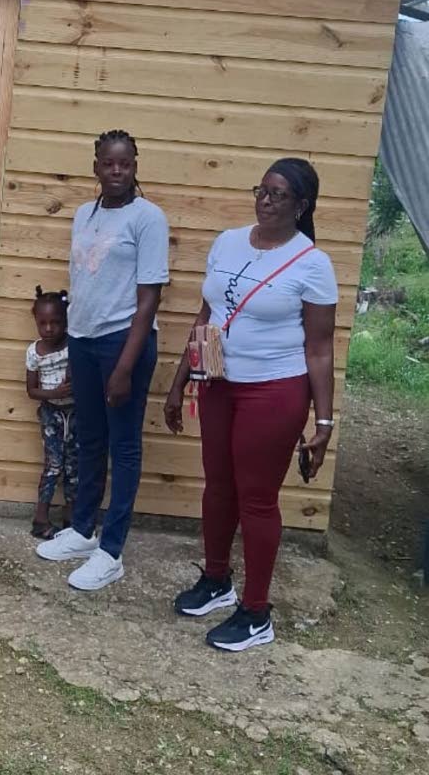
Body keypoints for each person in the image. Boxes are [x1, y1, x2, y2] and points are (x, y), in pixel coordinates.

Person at [164, 157, 338, 652]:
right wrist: (181, 382)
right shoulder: (228, 241)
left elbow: (321, 348)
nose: (264, 200)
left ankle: (257, 613)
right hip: (218, 383)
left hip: (274, 390)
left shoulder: (312, 264)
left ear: (301, 206)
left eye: (277, 194)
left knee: (256, 499)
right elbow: (208, 313)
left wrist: (323, 420)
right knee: (217, 487)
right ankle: (217, 580)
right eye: (260, 190)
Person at [36, 130, 169, 590]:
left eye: (125, 164)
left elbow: (149, 297)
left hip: (124, 342)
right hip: (85, 340)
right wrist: (74, 347)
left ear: (135, 166)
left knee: (123, 445)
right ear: (95, 166)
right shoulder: (83, 215)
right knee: (89, 438)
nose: (116, 172)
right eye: (108, 164)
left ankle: (111, 550)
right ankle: (82, 529)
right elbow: (83, 285)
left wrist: (126, 367)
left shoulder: (148, 218)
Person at [26, 286, 76, 540]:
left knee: (74, 467)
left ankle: (72, 520)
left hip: (76, 414)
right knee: (53, 465)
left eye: (55, 322)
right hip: (51, 415)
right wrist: (54, 394)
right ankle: (41, 518)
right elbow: (32, 390)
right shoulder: (34, 352)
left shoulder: (74, 346)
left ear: (66, 321)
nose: (48, 329)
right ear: (35, 321)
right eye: (43, 323)